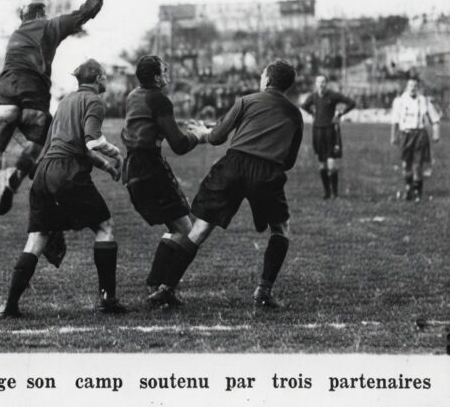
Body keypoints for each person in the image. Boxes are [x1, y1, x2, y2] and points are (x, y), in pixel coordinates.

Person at [148, 59, 303, 310]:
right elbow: (289, 161)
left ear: (267, 80)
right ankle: (263, 291)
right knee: (281, 229)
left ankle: (167, 288)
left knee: (200, 229)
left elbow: (218, 137)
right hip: (267, 172)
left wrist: (205, 131)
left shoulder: (246, 100)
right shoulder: (294, 114)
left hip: (233, 165)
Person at [0, 0, 107, 215]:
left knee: (3, 121)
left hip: (6, 94)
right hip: (35, 97)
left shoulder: (15, 35)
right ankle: (16, 178)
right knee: (40, 136)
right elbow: (84, 13)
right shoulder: (49, 26)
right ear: (41, 14)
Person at [0, 59, 127, 317]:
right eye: (105, 76)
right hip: (67, 173)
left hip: (45, 172)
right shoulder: (95, 102)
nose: (106, 80)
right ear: (99, 78)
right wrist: (117, 155)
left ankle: (10, 304)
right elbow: (92, 141)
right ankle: (107, 298)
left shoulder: (66, 101)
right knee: (104, 227)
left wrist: (106, 166)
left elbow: (67, 145)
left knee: (37, 238)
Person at [121, 55, 204, 306]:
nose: (168, 74)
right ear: (156, 77)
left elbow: (153, 124)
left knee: (177, 226)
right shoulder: (159, 99)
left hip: (133, 169)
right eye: (164, 71)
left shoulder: (134, 95)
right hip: (151, 169)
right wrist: (198, 136)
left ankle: (156, 282)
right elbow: (178, 144)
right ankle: (163, 288)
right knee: (187, 230)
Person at [300, 75, 356, 198]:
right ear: (316, 84)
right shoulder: (313, 97)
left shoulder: (333, 95)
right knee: (322, 165)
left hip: (330, 132)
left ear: (327, 83)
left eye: (323, 82)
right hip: (318, 132)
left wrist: (340, 114)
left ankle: (335, 193)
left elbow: (352, 103)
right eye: (319, 82)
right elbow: (303, 106)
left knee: (331, 164)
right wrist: (312, 113)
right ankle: (327, 192)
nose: (321, 84)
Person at [390, 78, 441, 202]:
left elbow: (435, 118)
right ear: (407, 87)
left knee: (418, 165)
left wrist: (436, 133)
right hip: (405, 134)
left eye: (415, 85)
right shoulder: (399, 101)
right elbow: (395, 120)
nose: (413, 88)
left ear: (417, 87)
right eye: (410, 85)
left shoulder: (423, 100)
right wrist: (393, 136)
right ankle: (409, 189)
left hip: (419, 134)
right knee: (405, 164)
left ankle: (418, 192)